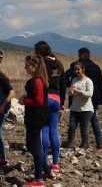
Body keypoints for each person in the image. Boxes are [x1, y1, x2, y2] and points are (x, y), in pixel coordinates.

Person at [21, 55, 52, 186]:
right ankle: (47, 170)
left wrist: (25, 101)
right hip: (34, 116)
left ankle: (38, 178)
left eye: (27, 65)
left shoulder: (37, 81)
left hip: (36, 117)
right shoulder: (37, 80)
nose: (25, 67)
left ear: (34, 66)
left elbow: (39, 101)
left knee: (35, 146)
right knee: (31, 145)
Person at [34, 41, 65, 172]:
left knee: (44, 130)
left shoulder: (42, 63)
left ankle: (44, 163)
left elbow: (39, 82)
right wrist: (62, 103)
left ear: (39, 52)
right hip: (57, 98)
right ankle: (56, 163)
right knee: (54, 130)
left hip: (46, 98)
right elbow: (63, 85)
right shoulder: (59, 63)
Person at [76, 48, 102, 150]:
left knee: (81, 122)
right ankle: (100, 142)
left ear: (81, 55)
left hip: (81, 99)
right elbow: (100, 84)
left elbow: (68, 80)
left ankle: (83, 143)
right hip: (94, 98)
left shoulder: (77, 68)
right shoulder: (96, 67)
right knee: (95, 120)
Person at [66, 62, 94, 149]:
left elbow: (90, 94)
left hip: (86, 108)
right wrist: (70, 92)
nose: (76, 71)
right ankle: (70, 144)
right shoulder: (74, 80)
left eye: (78, 69)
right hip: (75, 107)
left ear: (83, 69)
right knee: (72, 126)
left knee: (83, 127)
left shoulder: (88, 81)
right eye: (75, 69)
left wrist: (79, 92)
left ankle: (84, 145)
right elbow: (71, 91)